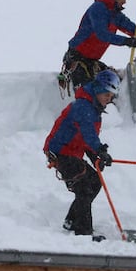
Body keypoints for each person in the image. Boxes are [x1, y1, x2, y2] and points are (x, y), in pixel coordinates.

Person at [43, 68, 120, 240]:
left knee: (95, 182)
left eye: (112, 95)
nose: (109, 99)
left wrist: (96, 157)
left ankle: (71, 221)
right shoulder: (83, 107)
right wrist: (99, 150)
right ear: (99, 89)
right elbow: (88, 134)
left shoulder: (93, 108)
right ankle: (83, 232)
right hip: (60, 152)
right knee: (84, 188)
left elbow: (86, 139)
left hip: (72, 152)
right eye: (107, 94)